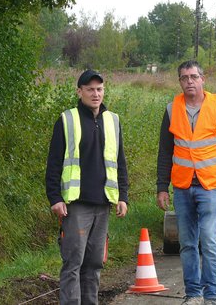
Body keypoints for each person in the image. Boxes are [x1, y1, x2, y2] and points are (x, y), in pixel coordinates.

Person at [156, 61, 216, 305]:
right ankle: (193, 294)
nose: (189, 81)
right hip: (182, 187)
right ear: (180, 82)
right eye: (184, 78)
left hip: (211, 186)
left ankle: (211, 296)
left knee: (209, 241)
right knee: (187, 243)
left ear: (203, 79)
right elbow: (165, 152)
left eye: (193, 76)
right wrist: (162, 187)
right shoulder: (172, 109)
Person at [46, 69, 129, 305]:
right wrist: (55, 198)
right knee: (73, 263)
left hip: (103, 204)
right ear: (79, 91)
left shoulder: (112, 121)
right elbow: (53, 164)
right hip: (76, 206)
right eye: (90, 89)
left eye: (99, 89)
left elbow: (120, 162)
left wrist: (123, 196)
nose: (96, 94)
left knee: (94, 264)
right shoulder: (67, 120)